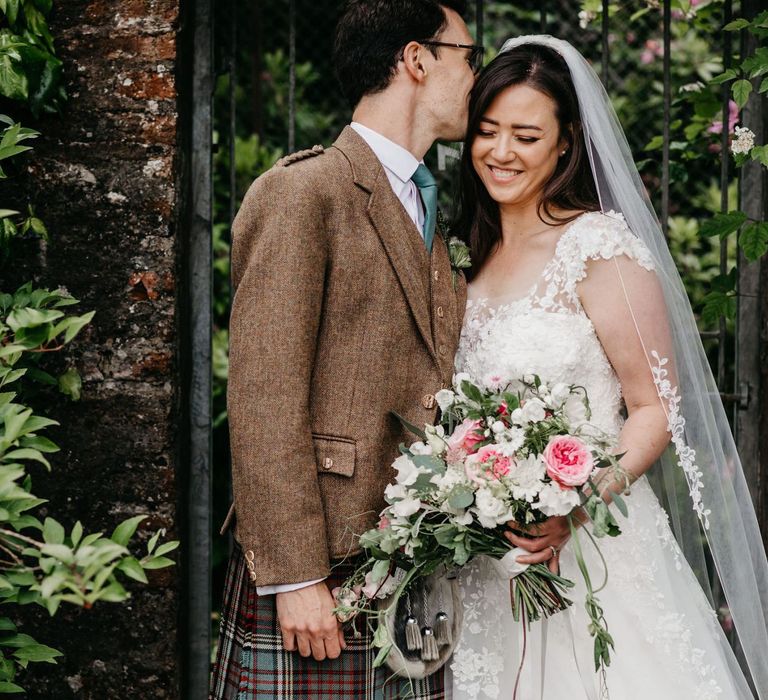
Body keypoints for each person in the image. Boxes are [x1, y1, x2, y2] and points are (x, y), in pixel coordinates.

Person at [449, 37, 768, 699]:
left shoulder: (596, 245)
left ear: (566, 143)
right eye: (487, 131)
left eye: (526, 135)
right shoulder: (464, 257)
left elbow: (654, 409)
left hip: (591, 547)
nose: (501, 152)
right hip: (483, 566)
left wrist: (574, 503)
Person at [209, 1, 481, 698]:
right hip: (319, 564)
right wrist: (295, 576)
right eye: (469, 57)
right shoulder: (304, 192)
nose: (476, 77)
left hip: (411, 563)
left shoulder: (430, 204)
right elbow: (264, 394)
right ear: (418, 59)